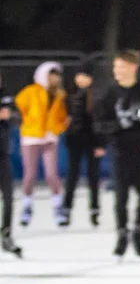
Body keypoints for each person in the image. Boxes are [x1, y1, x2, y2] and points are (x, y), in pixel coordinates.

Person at [94, 50, 140, 257]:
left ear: (133, 68)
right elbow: (100, 122)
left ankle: (138, 232)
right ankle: (122, 235)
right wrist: (117, 126)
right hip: (120, 152)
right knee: (121, 196)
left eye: (121, 67)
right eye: (116, 67)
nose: (117, 71)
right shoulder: (111, 94)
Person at [14, 62, 68, 226]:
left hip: (50, 139)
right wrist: (28, 124)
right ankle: (27, 205)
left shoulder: (60, 95)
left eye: (56, 75)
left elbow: (62, 117)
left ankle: (58, 206)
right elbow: (18, 109)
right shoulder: (30, 91)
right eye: (51, 74)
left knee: (52, 174)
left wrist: (57, 129)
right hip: (31, 138)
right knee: (30, 175)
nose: (54, 78)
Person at [63, 71, 105, 227]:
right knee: (72, 176)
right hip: (75, 140)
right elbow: (66, 118)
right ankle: (66, 209)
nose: (81, 79)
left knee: (93, 176)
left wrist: (101, 143)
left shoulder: (96, 96)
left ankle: (94, 210)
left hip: (92, 141)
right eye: (79, 76)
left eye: (85, 76)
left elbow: (101, 121)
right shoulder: (69, 95)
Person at [0, 76, 20, 257]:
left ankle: (6, 233)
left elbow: (19, 117)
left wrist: (11, 115)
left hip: (2, 155)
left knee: (8, 196)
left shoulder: (6, 95)